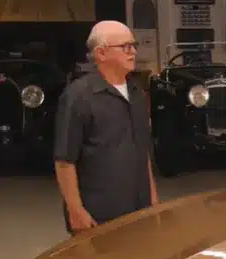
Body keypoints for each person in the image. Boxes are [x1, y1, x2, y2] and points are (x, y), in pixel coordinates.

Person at [53, 20, 159, 234]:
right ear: (101, 54)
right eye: (125, 47)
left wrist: (153, 199)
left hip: (139, 210)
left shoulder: (137, 93)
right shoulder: (78, 97)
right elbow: (64, 160)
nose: (133, 52)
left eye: (133, 45)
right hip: (98, 216)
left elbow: (143, 152)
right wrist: (75, 210)